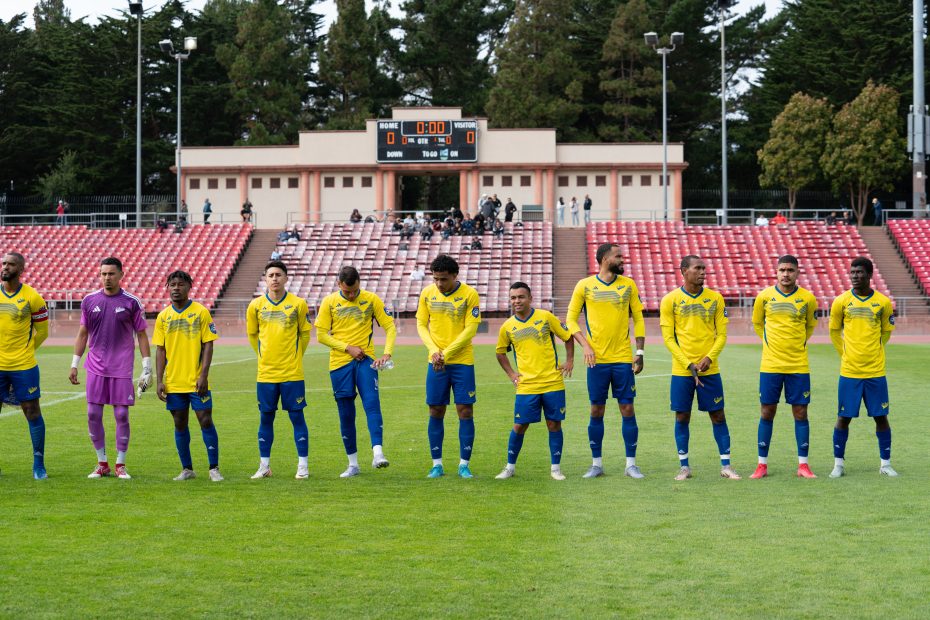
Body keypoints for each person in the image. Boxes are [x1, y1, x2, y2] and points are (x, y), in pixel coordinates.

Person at [566, 243, 646, 479]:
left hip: (622, 358)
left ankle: (631, 464)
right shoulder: (585, 285)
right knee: (596, 409)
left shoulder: (628, 285)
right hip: (597, 360)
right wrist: (586, 346)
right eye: (618, 256)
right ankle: (596, 464)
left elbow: (639, 320)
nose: (622, 259)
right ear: (603, 259)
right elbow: (570, 320)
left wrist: (640, 353)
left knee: (627, 408)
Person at [70, 257, 152, 480]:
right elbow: (83, 334)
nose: (107, 278)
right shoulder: (89, 300)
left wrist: (147, 367)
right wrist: (74, 364)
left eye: (111, 274)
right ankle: (102, 463)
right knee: (92, 414)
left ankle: (120, 464)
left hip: (121, 368)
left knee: (121, 415)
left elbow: (142, 335)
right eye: (103, 274)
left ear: (121, 275)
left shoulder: (131, 302)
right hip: (95, 367)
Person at [659, 255, 739, 480]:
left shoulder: (715, 298)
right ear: (684, 270)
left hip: (709, 370)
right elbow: (668, 337)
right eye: (698, 268)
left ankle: (726, 466)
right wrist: (687, 363)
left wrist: (709, 358)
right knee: (682, 417)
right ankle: (684, 466)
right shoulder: (670, 300)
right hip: (682, 371)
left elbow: (721, 335)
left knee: (718, 416)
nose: (703, 272)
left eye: (704, 268)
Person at [315, 266, 397, 477]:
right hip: (339, 364)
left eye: (354, 291)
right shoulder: (329, 302)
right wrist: (347, 348)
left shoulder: (371, 299)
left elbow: (389, 327)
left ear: (359, 283)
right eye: (347, 291)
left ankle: (378, 453)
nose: (351, 295)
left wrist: (387, 353)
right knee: (346, 414)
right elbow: (321, 335)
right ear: (338, 285)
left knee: (371, 403)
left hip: (366, 361)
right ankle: (353, 464)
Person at [494, 282, 574, 481]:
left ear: (530, 298)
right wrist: (512, 374)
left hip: (552, 382)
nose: (517, 301)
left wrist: (570, 360)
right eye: (513, 298)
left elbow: (567, 336)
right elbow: (500, 352)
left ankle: (555, 468)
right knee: (519, 426)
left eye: (521, 297)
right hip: (527, 385)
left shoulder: (545, 317)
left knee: (554, 424)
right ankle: (510, 467)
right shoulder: (507, 326)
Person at [749, 255, 818, 479]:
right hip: (770, 365)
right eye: (782, 270)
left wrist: (797, 344)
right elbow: (758, 323)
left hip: (798, 364)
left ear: (798, 272)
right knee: (767, 411)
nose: (786, 274)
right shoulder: (764, 297)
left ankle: (803, 465)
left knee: (800, 412)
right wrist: (769, 342)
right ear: (776, 272)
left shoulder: (807, 298)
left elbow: (810, 325)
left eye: (790, 270)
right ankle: (761, 465)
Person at [828, 257, 896, 478]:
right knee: (843, 418)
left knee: (881, 417)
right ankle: (838, 464)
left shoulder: (883, 303)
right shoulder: (841, 301)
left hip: (875, 371)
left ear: (869, 275)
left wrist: (876, 347)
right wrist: (844, 353)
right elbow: (834, 330)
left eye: (859, 272)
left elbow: (886, 330)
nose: (855, 276)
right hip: (850, 371)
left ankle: (885, 464)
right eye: (852, 272)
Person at [152, 271, 222, 482]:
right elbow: (160, 350)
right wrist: (160, 380)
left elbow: (208, 344)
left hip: (195, 380)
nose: (175, 288)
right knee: (179, 423)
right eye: (172, 284)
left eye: (180, 284)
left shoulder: (201, 312)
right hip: (174, 382)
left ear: (189, 287)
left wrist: (204, 375)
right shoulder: (163, 316)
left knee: (205, 420)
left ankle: (214, 468)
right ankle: (187, 469)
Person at [416, 254, 481, 479]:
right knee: (436, 410)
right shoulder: (427, 293)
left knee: (465, 411)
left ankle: (464, 464)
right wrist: (434, 351)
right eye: (436, 279)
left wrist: (446, 353)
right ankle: (437, 464)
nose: (439, 284)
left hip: (462, 362)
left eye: (443, 279)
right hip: (436, 361)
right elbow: (421, 324)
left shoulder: (470, 295)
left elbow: (470, 330)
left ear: (455, 275)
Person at [247, 261, 312, 479]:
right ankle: (264, 466)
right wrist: (263, 356)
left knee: (297, 417)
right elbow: (252, 335)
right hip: (266, 373)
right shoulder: (255, 306)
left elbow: (304, 334)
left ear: (286, 278)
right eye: (270, 275)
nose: (274, 279)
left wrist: (295, 356)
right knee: (265, 418)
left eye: (278, 275)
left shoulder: (298, 304)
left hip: (292, 373)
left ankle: (303, 466)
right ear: (265, 279)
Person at [0, 252, 50, 479]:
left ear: (21, 270)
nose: (5, 267)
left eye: (10, 264)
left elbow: (43, 331)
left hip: (23, 366)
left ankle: (38, 464)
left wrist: (27, 351)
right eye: (4, 263)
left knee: (32, 411)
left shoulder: (33, 297)